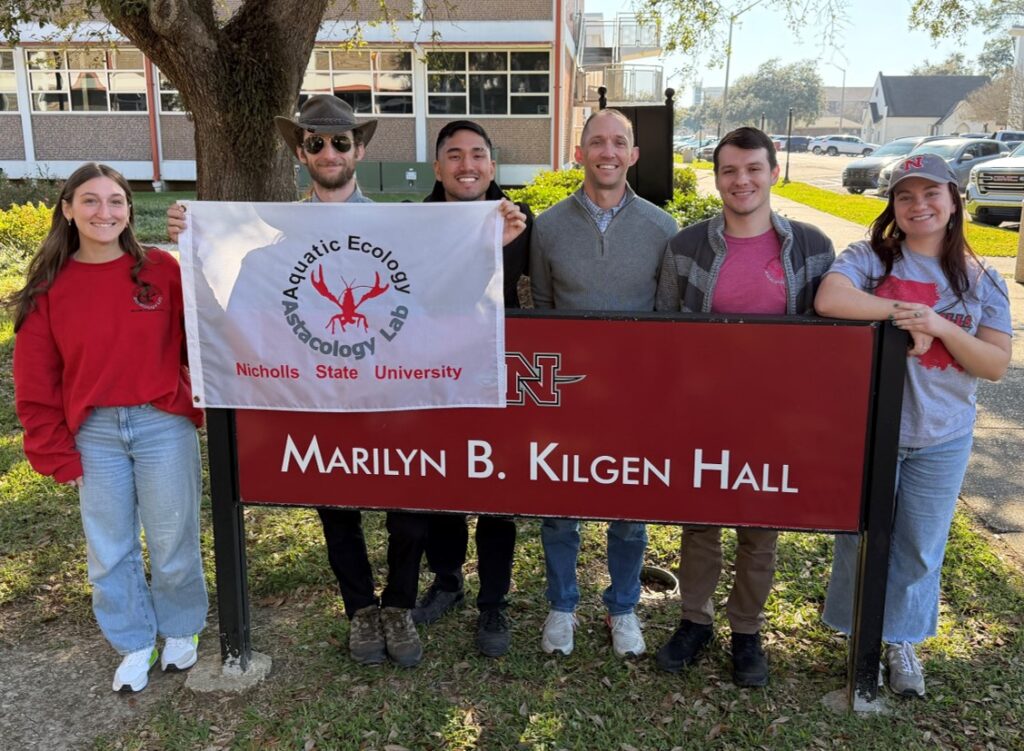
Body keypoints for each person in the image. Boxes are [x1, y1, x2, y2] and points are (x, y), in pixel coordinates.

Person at [167, 96, 427, 668]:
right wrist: (194, 242)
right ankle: (360, 609)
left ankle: (399, 605)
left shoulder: (402, 230)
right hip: (320, 396)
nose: (329, 151)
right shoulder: (272, 249)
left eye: (340, 142)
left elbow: (438, 290)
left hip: (392, 394)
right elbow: (234, 321)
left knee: (410, 506)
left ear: (359, 150)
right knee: (336, 506)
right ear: (301, 153)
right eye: (315, 142)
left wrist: (489, 240)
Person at [816, 153, 1012, 697]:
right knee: (859, 538)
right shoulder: (871, 259)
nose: (918, 205)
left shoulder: (982, 279)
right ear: (893, 206)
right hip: (871, 432)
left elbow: (994, 364)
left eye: (930, 194)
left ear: (953, 201)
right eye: (905, 196)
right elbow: (830, 299)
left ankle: (900, 641)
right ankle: (860, 637)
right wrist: (901, 314)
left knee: (920, 546)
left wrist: (937, 325)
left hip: (942, 435)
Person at [9, 163, 208, 693]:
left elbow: (202, 338)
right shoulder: (49, 288)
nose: (105, 212)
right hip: (94, 434)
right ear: (68, 210)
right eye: (91, 201)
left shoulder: (161, 270)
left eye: (116, 200)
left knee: (173, 538)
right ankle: (135, 640)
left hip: (162, 423)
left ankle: (181, 627)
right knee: (109, 547)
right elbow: (36, 381)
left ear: (128, 209)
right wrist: (55, 451)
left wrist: (199, 248)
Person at [654, 126, 835, 687]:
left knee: (760, 529)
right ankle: (694, 620)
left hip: (776, 417)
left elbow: (828, 340)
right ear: (716, 179)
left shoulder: (812, 247)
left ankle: (747, 632)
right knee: (699, 523)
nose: (742, 181)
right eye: (730, 171)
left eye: (754, 168)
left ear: (773, 172)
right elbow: (663, 332)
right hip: (703, 411)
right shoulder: (685, 247)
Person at [530, 108, 678, 658]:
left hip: (634, 396)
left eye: (619, 142)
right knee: (559, 509)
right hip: (568, 393)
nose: (607, 152)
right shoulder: (548, 227)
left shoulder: (663, 229)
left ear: (633, 155)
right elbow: (542, 307)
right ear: (580, 153)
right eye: (596, 142)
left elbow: (668, 319)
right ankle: (562, 604)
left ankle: (623, 607)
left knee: (629, 513)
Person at [412, 120, 531, 659]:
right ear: (438, 168)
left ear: (492, 165)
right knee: (443, 481)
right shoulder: (413, 224)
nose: (468, 165)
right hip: (433, 372)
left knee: (497, 488)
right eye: (455, 155)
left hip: (497, 373)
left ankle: (493, 598)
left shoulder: (521, 222)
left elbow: (536, 301)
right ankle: (447, 580)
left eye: (478, 154)